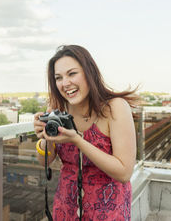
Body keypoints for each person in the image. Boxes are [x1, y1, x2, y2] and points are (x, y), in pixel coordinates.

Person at [34, 45, 137, 220]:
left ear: (89, 72)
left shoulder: (115, 108)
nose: (65, 83)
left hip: (108, 211)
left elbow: (124, 172)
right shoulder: (58, 108)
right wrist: (46, 137)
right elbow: (45, 160)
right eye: (58, 77)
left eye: (72, 74)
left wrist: (77, 141)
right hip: (66, 208)